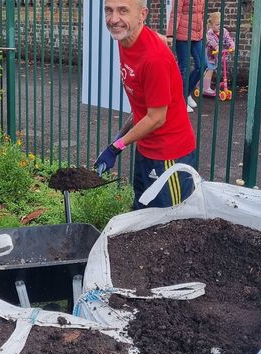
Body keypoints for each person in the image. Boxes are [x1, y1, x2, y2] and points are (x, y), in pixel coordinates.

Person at [95, 0, 196, 210]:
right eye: (109, 10)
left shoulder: (154, 58)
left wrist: (116, 147)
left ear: (142, 14)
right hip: (146, 149)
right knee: (141, 214)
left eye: (123, 10)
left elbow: (156, 118)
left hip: (169, 156)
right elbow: (142, 106)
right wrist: (119, 138)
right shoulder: (126, 39)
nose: (114, 19)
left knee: (170, 221)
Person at [166, 0, 206, 113]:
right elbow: (175, 13)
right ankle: (181, 100)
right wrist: (170, 34)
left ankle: (186, 93)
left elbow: (201, 14)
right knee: (184, 68)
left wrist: (202, 31)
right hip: (182, 34)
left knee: (203, 65)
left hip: (197, 35)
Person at [202, 11, 235, 97]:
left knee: (212, 68)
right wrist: (217, 47)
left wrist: (232, 45)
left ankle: (200, 83)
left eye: (220, 24)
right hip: (210, 53)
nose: (219, 26)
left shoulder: (223, 31)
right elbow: (211, 42)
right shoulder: (210, 33)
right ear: (211, 25)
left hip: (217, 53)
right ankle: (206, 89)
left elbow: (228, 38)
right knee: (210, 68)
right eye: (217, 25)